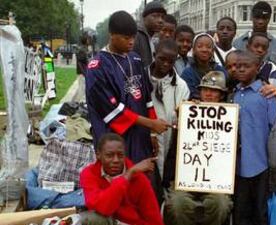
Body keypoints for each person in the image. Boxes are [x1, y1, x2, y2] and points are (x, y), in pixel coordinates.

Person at [85, 11, 170, 165]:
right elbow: (112, 110)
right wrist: (151, 124)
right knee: (119, 184)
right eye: (126, 38)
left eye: (133, 37)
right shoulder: (97, 67)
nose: (131, 42)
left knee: (143, 182)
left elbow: (146, 99)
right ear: (112, 35)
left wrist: (151, 133)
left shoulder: (135, 59)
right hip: (114, 140)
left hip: (140, 136)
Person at [167, 71, 232, 225]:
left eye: (214, 91)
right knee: (178, 203)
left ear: (221, 95)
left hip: (215, 180)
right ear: (200, 92)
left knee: (220, 204)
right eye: (205, 90)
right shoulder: (187, 111)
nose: (209, 95)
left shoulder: (229, 116)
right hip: (186, 177)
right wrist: (181, 117)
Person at [80, 133, 165, 225]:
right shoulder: (88, 174)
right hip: (105, 223)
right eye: (109, 155)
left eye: (120, 155)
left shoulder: (140, 179)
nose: (116, 160)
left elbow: (152, 216)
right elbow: (103, 207)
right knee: (94, 220)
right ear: (98, 155)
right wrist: (127, 176)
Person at [231, 51, 276, 225]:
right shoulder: (235, 94)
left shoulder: (266, 94)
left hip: (261, 163)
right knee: (242, 209)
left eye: (246, 66)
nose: (240, 69)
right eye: (237, 66)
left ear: (258, 67)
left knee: (263, 211)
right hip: (238, 165)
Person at [149, 39, 190, 179]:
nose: (166, 64)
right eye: (162, 59)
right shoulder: (142, 79)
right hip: (145, 136)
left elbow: (181, 115)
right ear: (154, 55)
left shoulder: (181, 86)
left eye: (171, 61)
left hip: (169, 138)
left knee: (164, 173)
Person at [233, 1, 276, 73]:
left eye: (264, 18)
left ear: (269, 19)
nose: (260, 21)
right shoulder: (237, 43)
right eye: (257, 17)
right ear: (252, 17)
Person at [181, 32, 227, 99]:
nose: (204, 50)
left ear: (213, 50)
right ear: (193, 50)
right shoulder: (187, 73)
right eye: (200, 46)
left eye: (208, 47)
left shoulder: (221, 71)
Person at [133, 1, 166, 67]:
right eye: (155, 16)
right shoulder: (136, 37)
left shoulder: (151, 38)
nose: (160, 20)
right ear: (144, 18)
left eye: (162, 17)